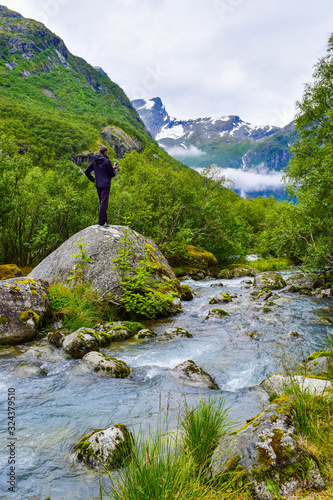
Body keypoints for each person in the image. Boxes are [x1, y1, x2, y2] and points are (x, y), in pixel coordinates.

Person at [84, 146, 117, 227]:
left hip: (98, 184)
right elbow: (111, 174)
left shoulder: (95, 160)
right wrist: (113, 169)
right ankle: (101, 222)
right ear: (105, 152)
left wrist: (94, 180)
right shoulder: (107, 161)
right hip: (105, 184)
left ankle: (103, 220)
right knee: (104, 203)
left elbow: (87, 171)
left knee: (102, 202)